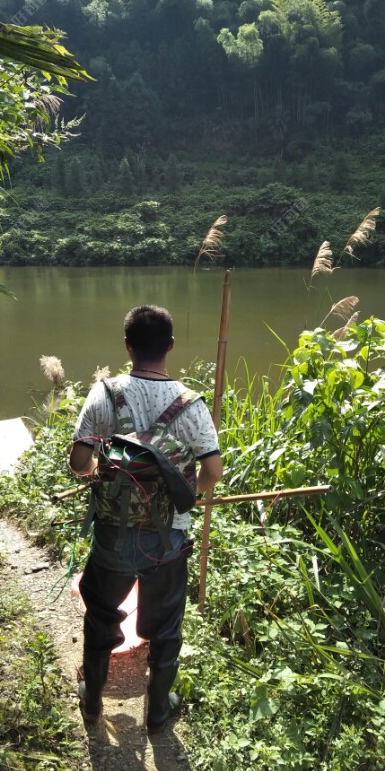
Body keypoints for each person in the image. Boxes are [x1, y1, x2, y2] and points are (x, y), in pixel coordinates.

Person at [69, 305, 223, 731]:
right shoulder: (189, 405)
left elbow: (79, 461)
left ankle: (93, 701)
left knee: (102, 613)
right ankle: (158, 710)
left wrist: (104, 471)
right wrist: (179, 494)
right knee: (166, 622)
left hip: (113, 533)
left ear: (128, 346)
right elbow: (212, 472)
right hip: (168, 538)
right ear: (170, 346)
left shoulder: (105, 394)